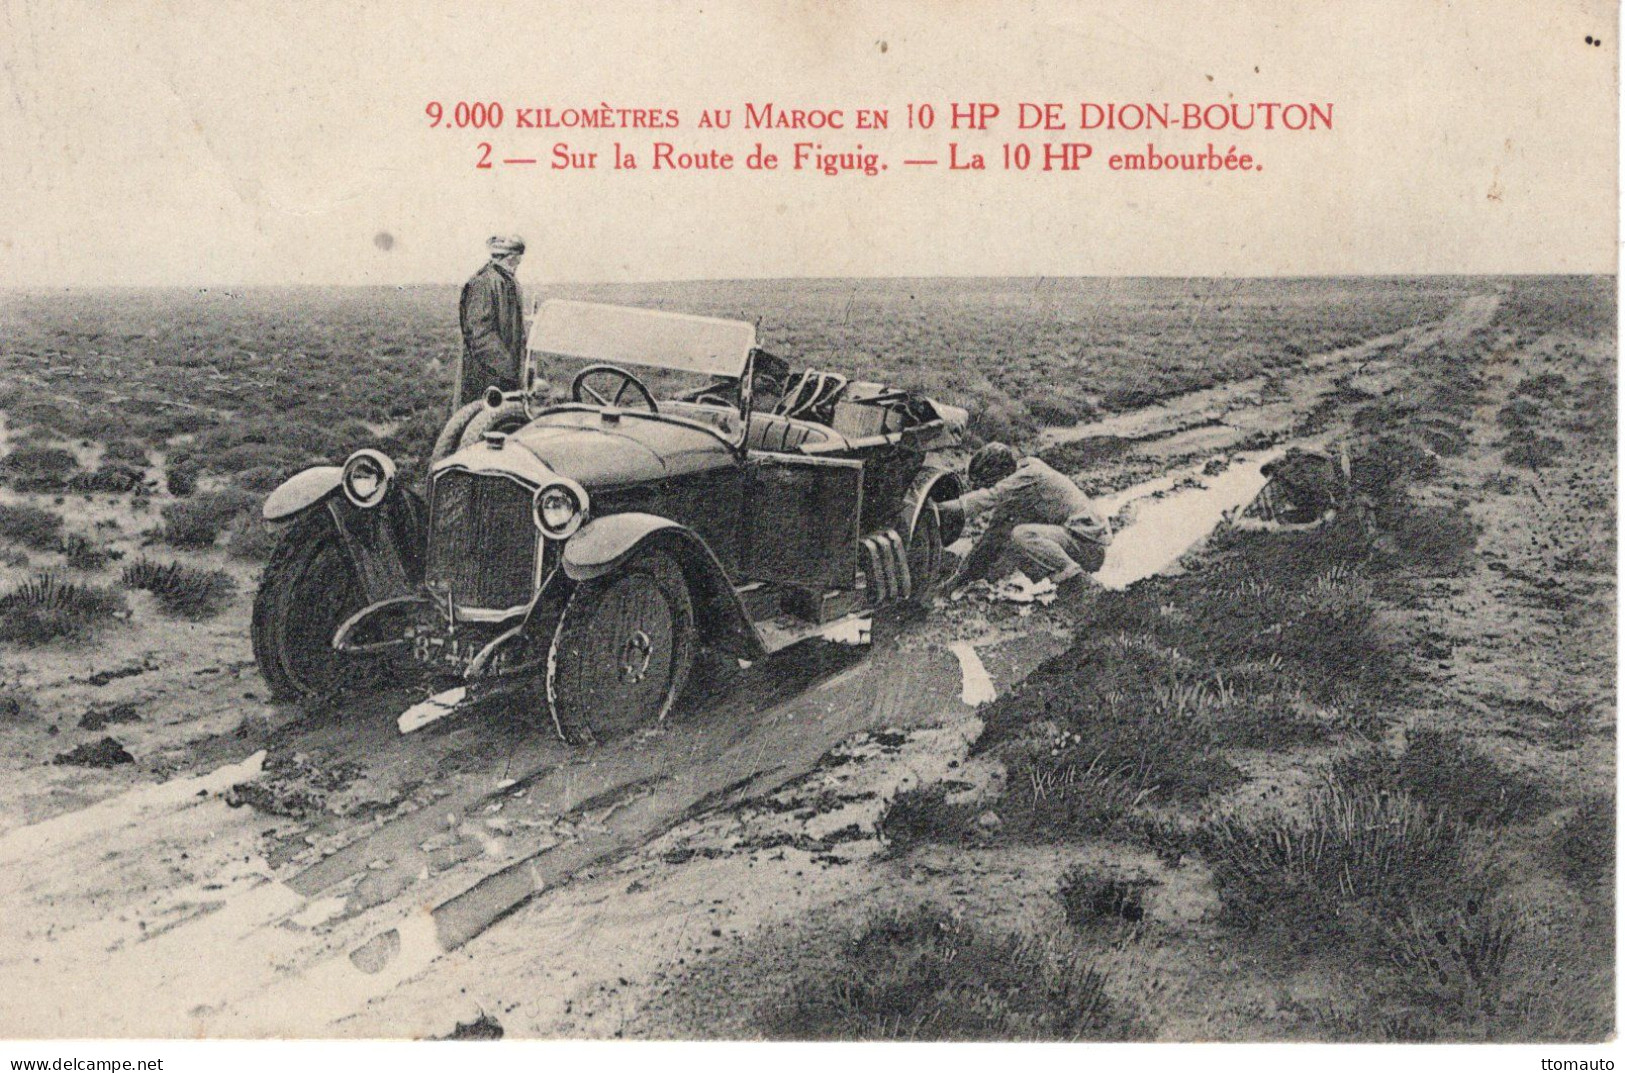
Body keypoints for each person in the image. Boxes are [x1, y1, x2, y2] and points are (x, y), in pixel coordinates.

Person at [938, 442, 1113, 590]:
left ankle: (1079, 585)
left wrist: (937, 508)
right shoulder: (1021, 485)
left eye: (988, 482)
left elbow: (989, 496)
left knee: (1022, 536)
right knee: (1007, 540)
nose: (984, 487)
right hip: (1082, 542)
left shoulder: (1029, 476)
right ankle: (1066, 583)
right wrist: (958, 581)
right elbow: (991, 539)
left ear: (1004, 476)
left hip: (1088, 544)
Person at [455, 235, 528, 410]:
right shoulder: (483, 282)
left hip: (503, 376)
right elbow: (481, 336)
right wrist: (510, 370)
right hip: (487, 378)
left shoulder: (506, 280)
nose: (518, 263)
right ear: (511, 257)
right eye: (518, 259)